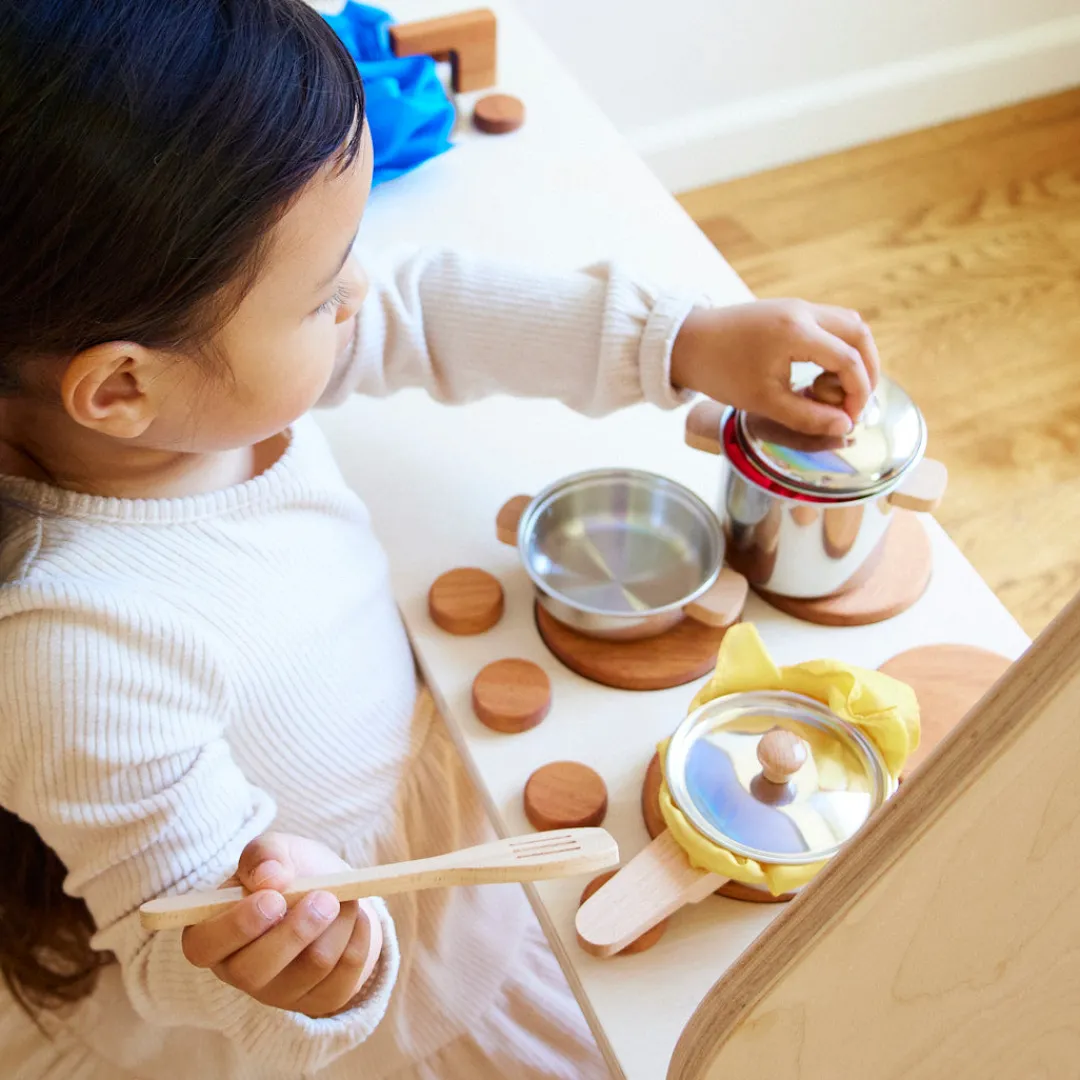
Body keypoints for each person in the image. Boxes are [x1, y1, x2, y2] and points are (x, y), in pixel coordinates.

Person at [0, 1, 880, 1077]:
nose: (361, 292)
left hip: (436, 772)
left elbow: (422, 310)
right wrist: (295, 966)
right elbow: (173, 937)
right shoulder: (74, 651)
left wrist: (682, 342)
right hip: (390, 972)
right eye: (325, 293)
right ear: (122, 385)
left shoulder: (176, 402)